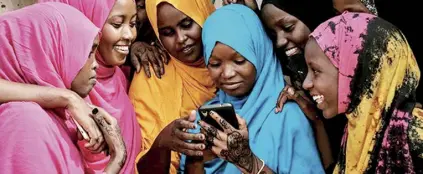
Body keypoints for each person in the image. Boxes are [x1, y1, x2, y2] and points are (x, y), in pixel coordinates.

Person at [180, 5, 323, 173]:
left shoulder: (287, 117)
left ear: (260, 54)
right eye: (215, 64)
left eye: (240, 61)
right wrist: (196, 160)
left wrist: (247, 161)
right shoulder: (203, 120)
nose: (227, 74)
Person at [2, 0, 142, 173]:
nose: (95, 64)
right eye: (87, 52)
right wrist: (116, 161)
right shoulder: (27, 122)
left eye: (134, 23)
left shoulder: (62, 118)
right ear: (50, 52)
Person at [303, 11, 423, 173]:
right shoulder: (358, 129)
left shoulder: (414, 132)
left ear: (357, 70)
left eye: (315, 71)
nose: (306, 84)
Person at [130, 0, 217, 173]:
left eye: (187, 24)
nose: (181, 39)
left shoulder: (235, 62)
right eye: (167, 32)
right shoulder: (151, 75)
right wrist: (163, 143)